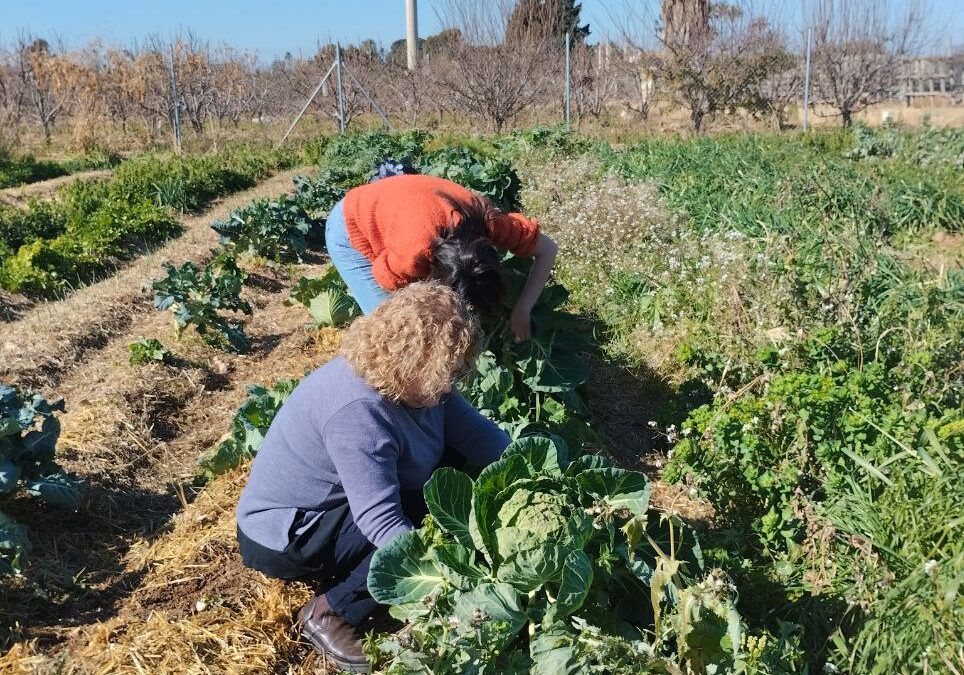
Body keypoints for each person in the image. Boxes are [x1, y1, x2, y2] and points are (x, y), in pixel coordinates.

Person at [235, 282, 510, 673]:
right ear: (412, 362)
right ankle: (331, 613)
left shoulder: (420, 387)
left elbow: (481, 437)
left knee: (444, 481)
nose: (450, 385)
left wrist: (541, 475)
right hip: (289, 531)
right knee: (422, 520)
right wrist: (447, 573)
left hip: (337, 505)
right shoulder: (359, 410)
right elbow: (380, 520)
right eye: (445, 373)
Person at [325, 172, 558, 341]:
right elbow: (384, 276)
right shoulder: (412, 254)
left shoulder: (491, 223)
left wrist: (523, 308)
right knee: (397, 334)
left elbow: (548, 250)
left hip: (406, 206)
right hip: (351, 227)